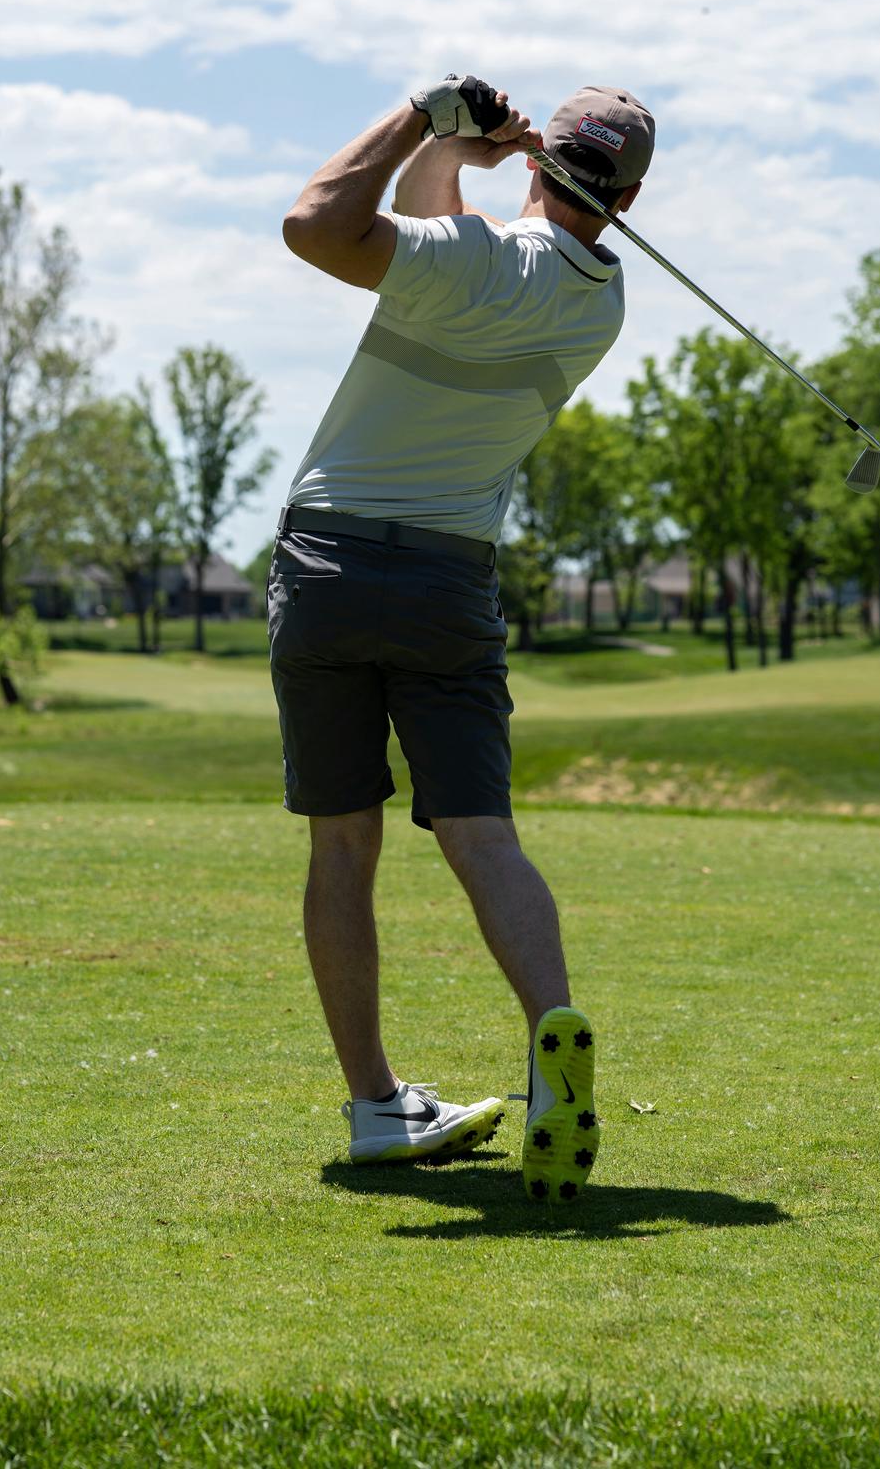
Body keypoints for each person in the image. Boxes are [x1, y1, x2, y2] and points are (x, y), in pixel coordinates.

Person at [272, 75, 655, 1201]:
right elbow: (451, 232)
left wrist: (415, 113)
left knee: (344, 845)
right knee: (483, 836)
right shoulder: (599, 301)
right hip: (450, 582)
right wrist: (457, 151)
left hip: (331, 564)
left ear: (542, 162)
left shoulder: (469, 260)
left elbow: (315, 224)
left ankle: (376, 1108)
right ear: (627, 194)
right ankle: (551, 1040)